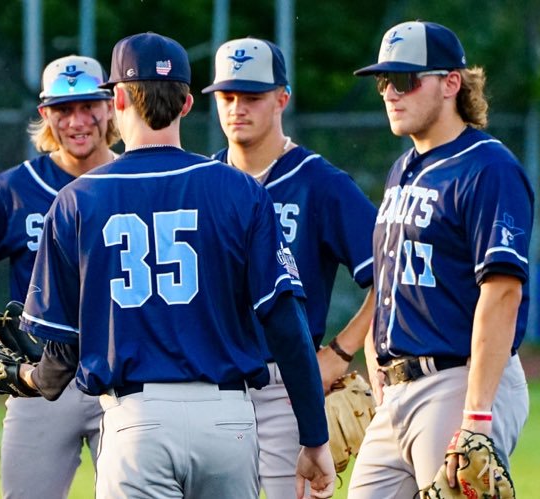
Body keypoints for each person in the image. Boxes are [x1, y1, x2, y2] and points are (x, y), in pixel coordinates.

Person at [18, 33, 336, 499]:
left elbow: (61, 354)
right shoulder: (240, 190)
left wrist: (22, 377)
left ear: (118, 97)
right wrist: (314, 436)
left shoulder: (76, 200)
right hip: (228, 419)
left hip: (136, 422)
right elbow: (288, 324)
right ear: (187, 102)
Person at [345, 21, 532, 498]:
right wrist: (377, 366)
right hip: (398, 392)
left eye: (405, 79)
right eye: (383, 81)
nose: (390, 92)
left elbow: (503, 291)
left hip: (456, 380)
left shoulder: (489, 168)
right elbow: (389, 280)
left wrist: (476, 417)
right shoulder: (403, 168)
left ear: (452, 83)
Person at [202, 37, 379, 498]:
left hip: (285, 386)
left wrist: (340, 351)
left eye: (253, 97)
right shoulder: (202, 183)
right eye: (227, 96)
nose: (237, 108)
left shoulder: (320, 184)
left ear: (282, 98)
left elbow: (393, 275)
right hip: (209, 386)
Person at [0, 54, 117, 499]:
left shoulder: (132, 178)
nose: (77, 120)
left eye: (88, 105)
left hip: (122, 375)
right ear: (45, 115)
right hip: (43, 379)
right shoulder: (15, 188)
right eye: (63, 109)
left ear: (111, 107)